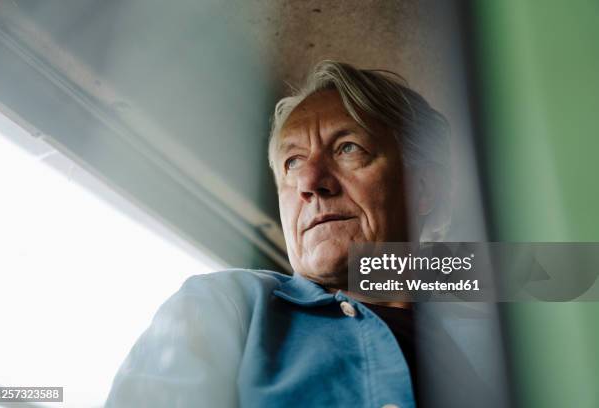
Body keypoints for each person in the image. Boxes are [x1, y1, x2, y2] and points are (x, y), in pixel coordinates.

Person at [105, 61, 461, 408]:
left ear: (423, 187)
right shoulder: (224, 304)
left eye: (347, 147)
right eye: (292, 163)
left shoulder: (490, 311)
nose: (309, 182)